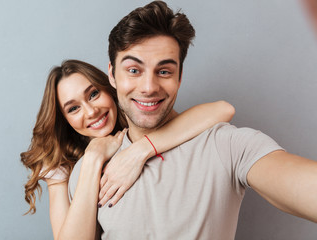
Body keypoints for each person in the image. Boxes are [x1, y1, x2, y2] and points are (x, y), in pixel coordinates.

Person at [68, 1, 317, 239]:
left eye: (164, 71)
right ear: (112, 74)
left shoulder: (225, 145)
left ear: (180, 76)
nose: (148, 87)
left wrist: (142, 150)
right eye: (134, 70)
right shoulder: (90, 169)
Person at [20, 59, 235, 239]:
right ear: (65, 120)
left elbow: (223, 109)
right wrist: (93, 158)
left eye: (93, 94)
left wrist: (139, 151)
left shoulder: (144, 119)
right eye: (74, 108)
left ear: (109, 86)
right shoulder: (61, 168)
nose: (91, 111)